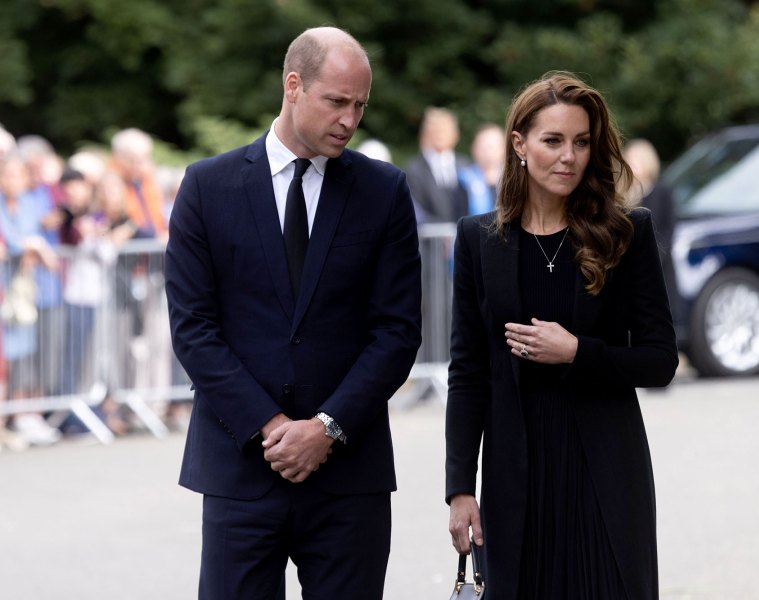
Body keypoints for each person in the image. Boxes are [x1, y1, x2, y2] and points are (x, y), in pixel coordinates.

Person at [165, 26, 422, 600]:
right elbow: (193, 329)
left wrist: (326, 429)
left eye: (360, 105)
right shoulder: (208, 187)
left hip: (349, 477)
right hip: (239, 472)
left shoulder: (384, 191)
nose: (350, 120)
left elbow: (398, 333)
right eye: (337, 101)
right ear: (293, 85)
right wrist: (274, 428)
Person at [445, 71, 678, 600]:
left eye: (581, 141)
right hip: (515, 483)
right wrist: (460, 487)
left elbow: (660, 360)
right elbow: (468, 372)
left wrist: (578, 352)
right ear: (519, 144)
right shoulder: (479, 241)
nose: (568, 156)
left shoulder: (626, 233)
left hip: (606, 477)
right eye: (553, 141)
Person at [623, 138, 678, 322]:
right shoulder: (626, 194)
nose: (630, 165)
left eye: (635, 160)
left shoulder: (662, 191)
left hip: (659, 264)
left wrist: (655, 259)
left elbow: (668, 229)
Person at [404, 107, 471, 223]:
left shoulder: (465, 165)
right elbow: (415, 210)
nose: (439, 134)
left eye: (444, 130)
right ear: (425, 134)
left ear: (455, 134)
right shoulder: (414, 169)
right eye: (435, 130)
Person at [458, 123, 505, 216]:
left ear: (503, 148)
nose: (488, 152)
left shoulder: (514, 178)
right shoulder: (464, 179)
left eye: (492, 147)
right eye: (483, 147)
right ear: (474, 149)